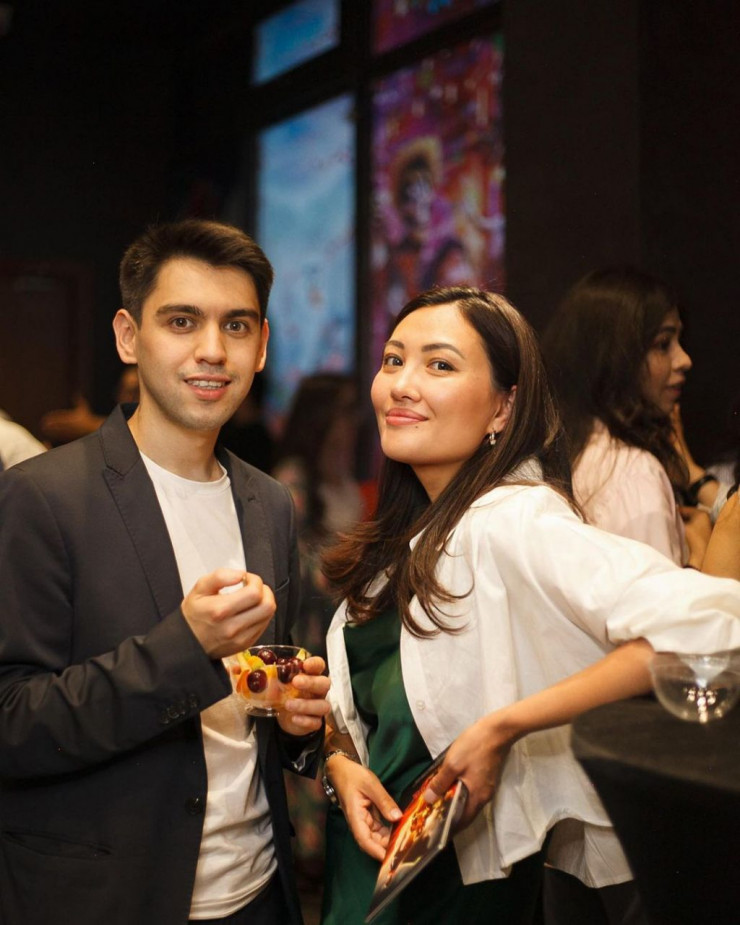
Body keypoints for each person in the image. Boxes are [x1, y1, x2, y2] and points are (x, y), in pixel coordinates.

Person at [318, 286, 740, 925]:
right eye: (393, 360)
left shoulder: (511, 519)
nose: (401, 385)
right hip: (367, 877)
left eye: (439, 365)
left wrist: (504, 727)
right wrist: (340, 764)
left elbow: (714, 621)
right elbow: (373, 713)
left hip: (452, 900)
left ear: (503, 406)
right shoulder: (410, 536)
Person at [0, 219, 331, 925]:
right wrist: (185, 646)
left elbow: (262, 700)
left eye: (236, 325)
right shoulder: (42, 497)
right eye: (182, 321)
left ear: (262, 346)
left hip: (260, 892)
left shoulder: (269, 504)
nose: (212, 349)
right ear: (129, 336)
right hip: (109, 898)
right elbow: (12, 722)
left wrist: (299, 720)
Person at [542, 266, 717, 568]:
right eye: (663, 344)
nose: (684, 360)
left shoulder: (571, 449)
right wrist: (700, 556)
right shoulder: (634, 473)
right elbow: (658, 598)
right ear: (614, 356)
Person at [272, 373, 366, 891]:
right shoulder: (292, 484)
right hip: (307, 635)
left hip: (345, 635)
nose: (350, 425)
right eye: (343, 412)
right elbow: (290, 572)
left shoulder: (346, 480)